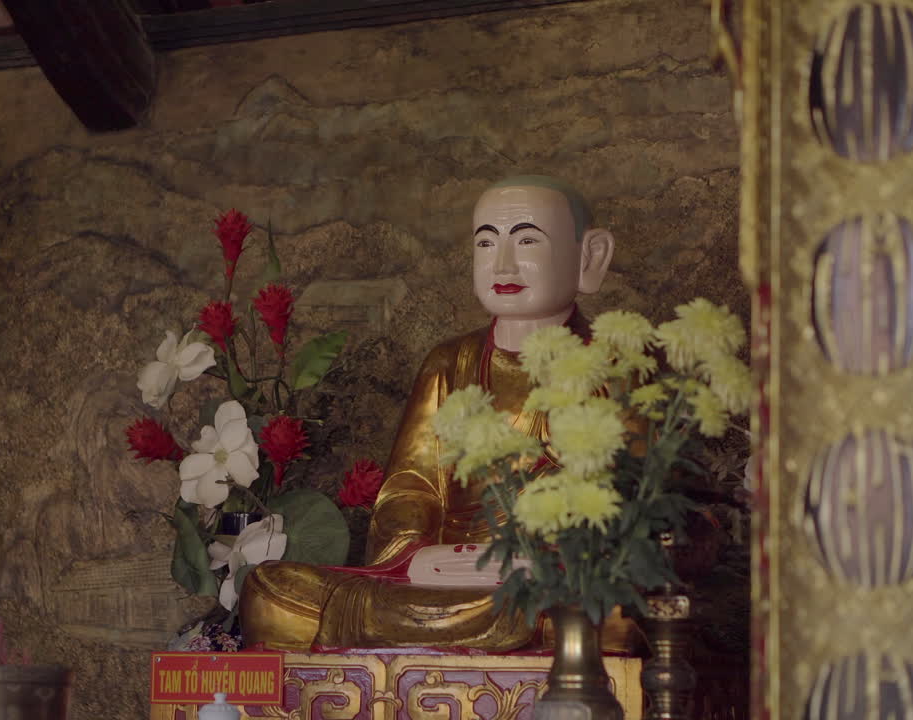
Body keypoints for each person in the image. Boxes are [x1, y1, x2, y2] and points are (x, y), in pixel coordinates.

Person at [240, 176, 639, 651]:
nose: (504, 262)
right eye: (486, 242)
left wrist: (544, 556)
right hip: (450, 571)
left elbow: (633, 500)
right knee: (270, 592)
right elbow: (411, 486)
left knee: (611, 616)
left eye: (528, 240)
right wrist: (420, 550)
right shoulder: (450, 363)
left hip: (553, 578)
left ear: (589, 257)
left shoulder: (619, 365)